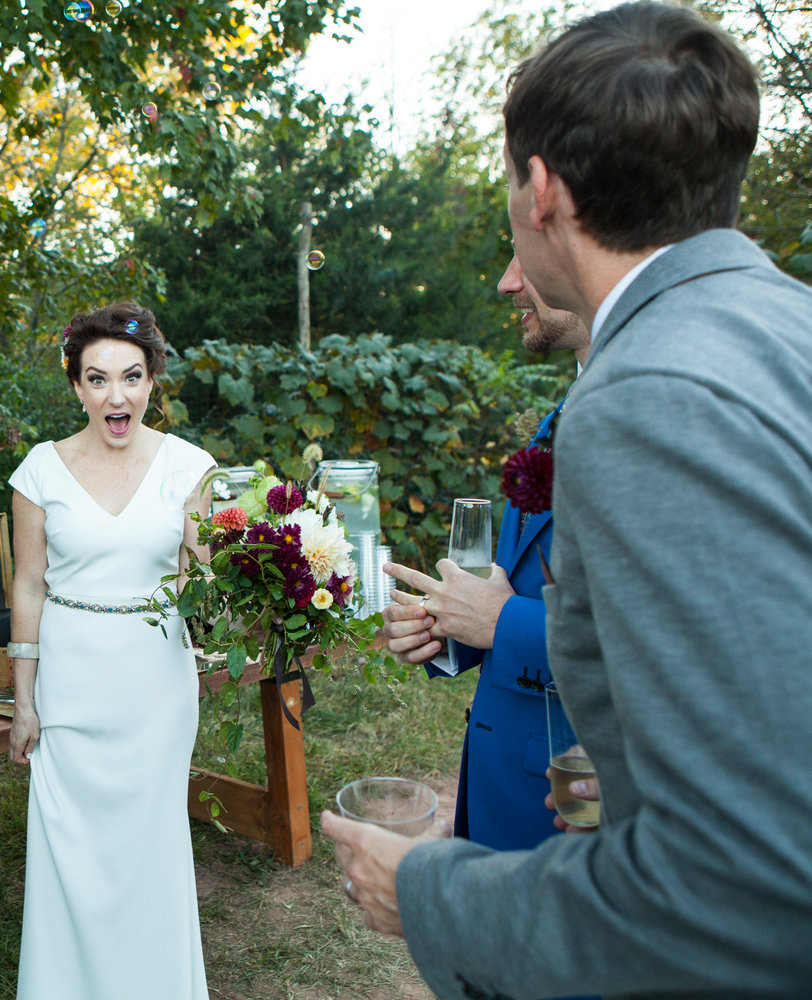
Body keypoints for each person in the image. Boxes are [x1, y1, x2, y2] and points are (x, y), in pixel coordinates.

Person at [323, 3, 812, 997]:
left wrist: (431, 890)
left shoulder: (648, 397)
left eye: (509, 181)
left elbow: (734, 887)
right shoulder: (784, 325)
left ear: (539, 190)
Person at [7, 303, 216, 999]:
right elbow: (29, 586)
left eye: (131, 376)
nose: (115, 396)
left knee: (151, 854)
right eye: (97, 380)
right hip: (71, 687)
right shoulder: (39, 470)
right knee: (72, 859)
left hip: (156, 689)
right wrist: (23, 701)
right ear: (76, 387)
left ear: (153, 378)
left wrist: (254, 585)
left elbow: (202, 591)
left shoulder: (192, 468)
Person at [379, 254, 591, 851]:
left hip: (575, 798)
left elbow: (664, 637)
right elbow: (524, 593)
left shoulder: (661, 414)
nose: (507, 282)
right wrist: (450, 630)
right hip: (507, 776)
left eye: (524, 254)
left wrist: (500, 622)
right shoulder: (559, 420)